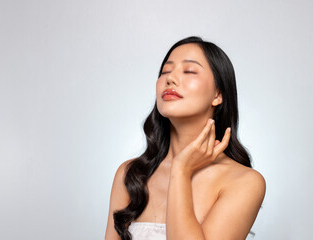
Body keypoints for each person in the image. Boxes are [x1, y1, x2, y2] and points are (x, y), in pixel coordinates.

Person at [105, 36, 266, 240]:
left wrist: (181, 170)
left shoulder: (245, 182)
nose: (170, 79)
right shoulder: (131, 175)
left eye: (189, 71)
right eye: (165, 72)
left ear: (218, 94)